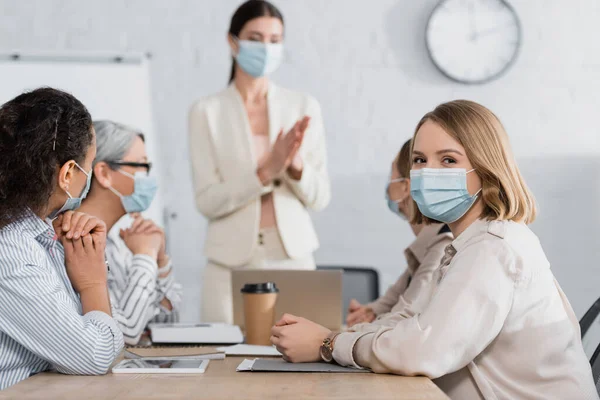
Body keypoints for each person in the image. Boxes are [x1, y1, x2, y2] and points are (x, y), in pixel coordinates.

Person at [270, 100, 598, 399]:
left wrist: (327, 344)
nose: (429, 173)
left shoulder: (494, 248)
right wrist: (328, 338)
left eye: (449, 160)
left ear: (486, 169)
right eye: (419, 160)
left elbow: (423, 350)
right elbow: (411, 328)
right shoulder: (468, 246)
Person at [189, 0, 330, 324]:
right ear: (232, 41)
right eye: (255, 37)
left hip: (292, 255)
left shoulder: (302, 105)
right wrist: (265, 171)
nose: (265, 48)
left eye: (274, 39)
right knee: (223, 367)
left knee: (299, 366)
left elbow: (321, 197)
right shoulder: (206, 111)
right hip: (229, 261)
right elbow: (207, 201)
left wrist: (294, 167)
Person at [0, 88, 124, 390]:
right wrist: (93, 282)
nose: (89, 178)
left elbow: (100, 330)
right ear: (68, 173)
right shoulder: (13, 252)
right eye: (89, 165)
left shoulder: (41, 234)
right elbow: (96, 355)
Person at [77, 121, 182, 345]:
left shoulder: (119, 241)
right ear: (104, 173)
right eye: (141, 166)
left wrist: (160, 262)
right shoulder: (75, 242)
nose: (149, 178)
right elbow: (125, 334)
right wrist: (145, 256)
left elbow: (166, 326)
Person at [346, 139, 452, 327]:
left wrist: (329, 341)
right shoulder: (426, 246)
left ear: (405, 187)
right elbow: (392, 299)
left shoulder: (443, 245)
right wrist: (369, 312)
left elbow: (404, 319)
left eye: (391, 175)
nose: (388, 185)